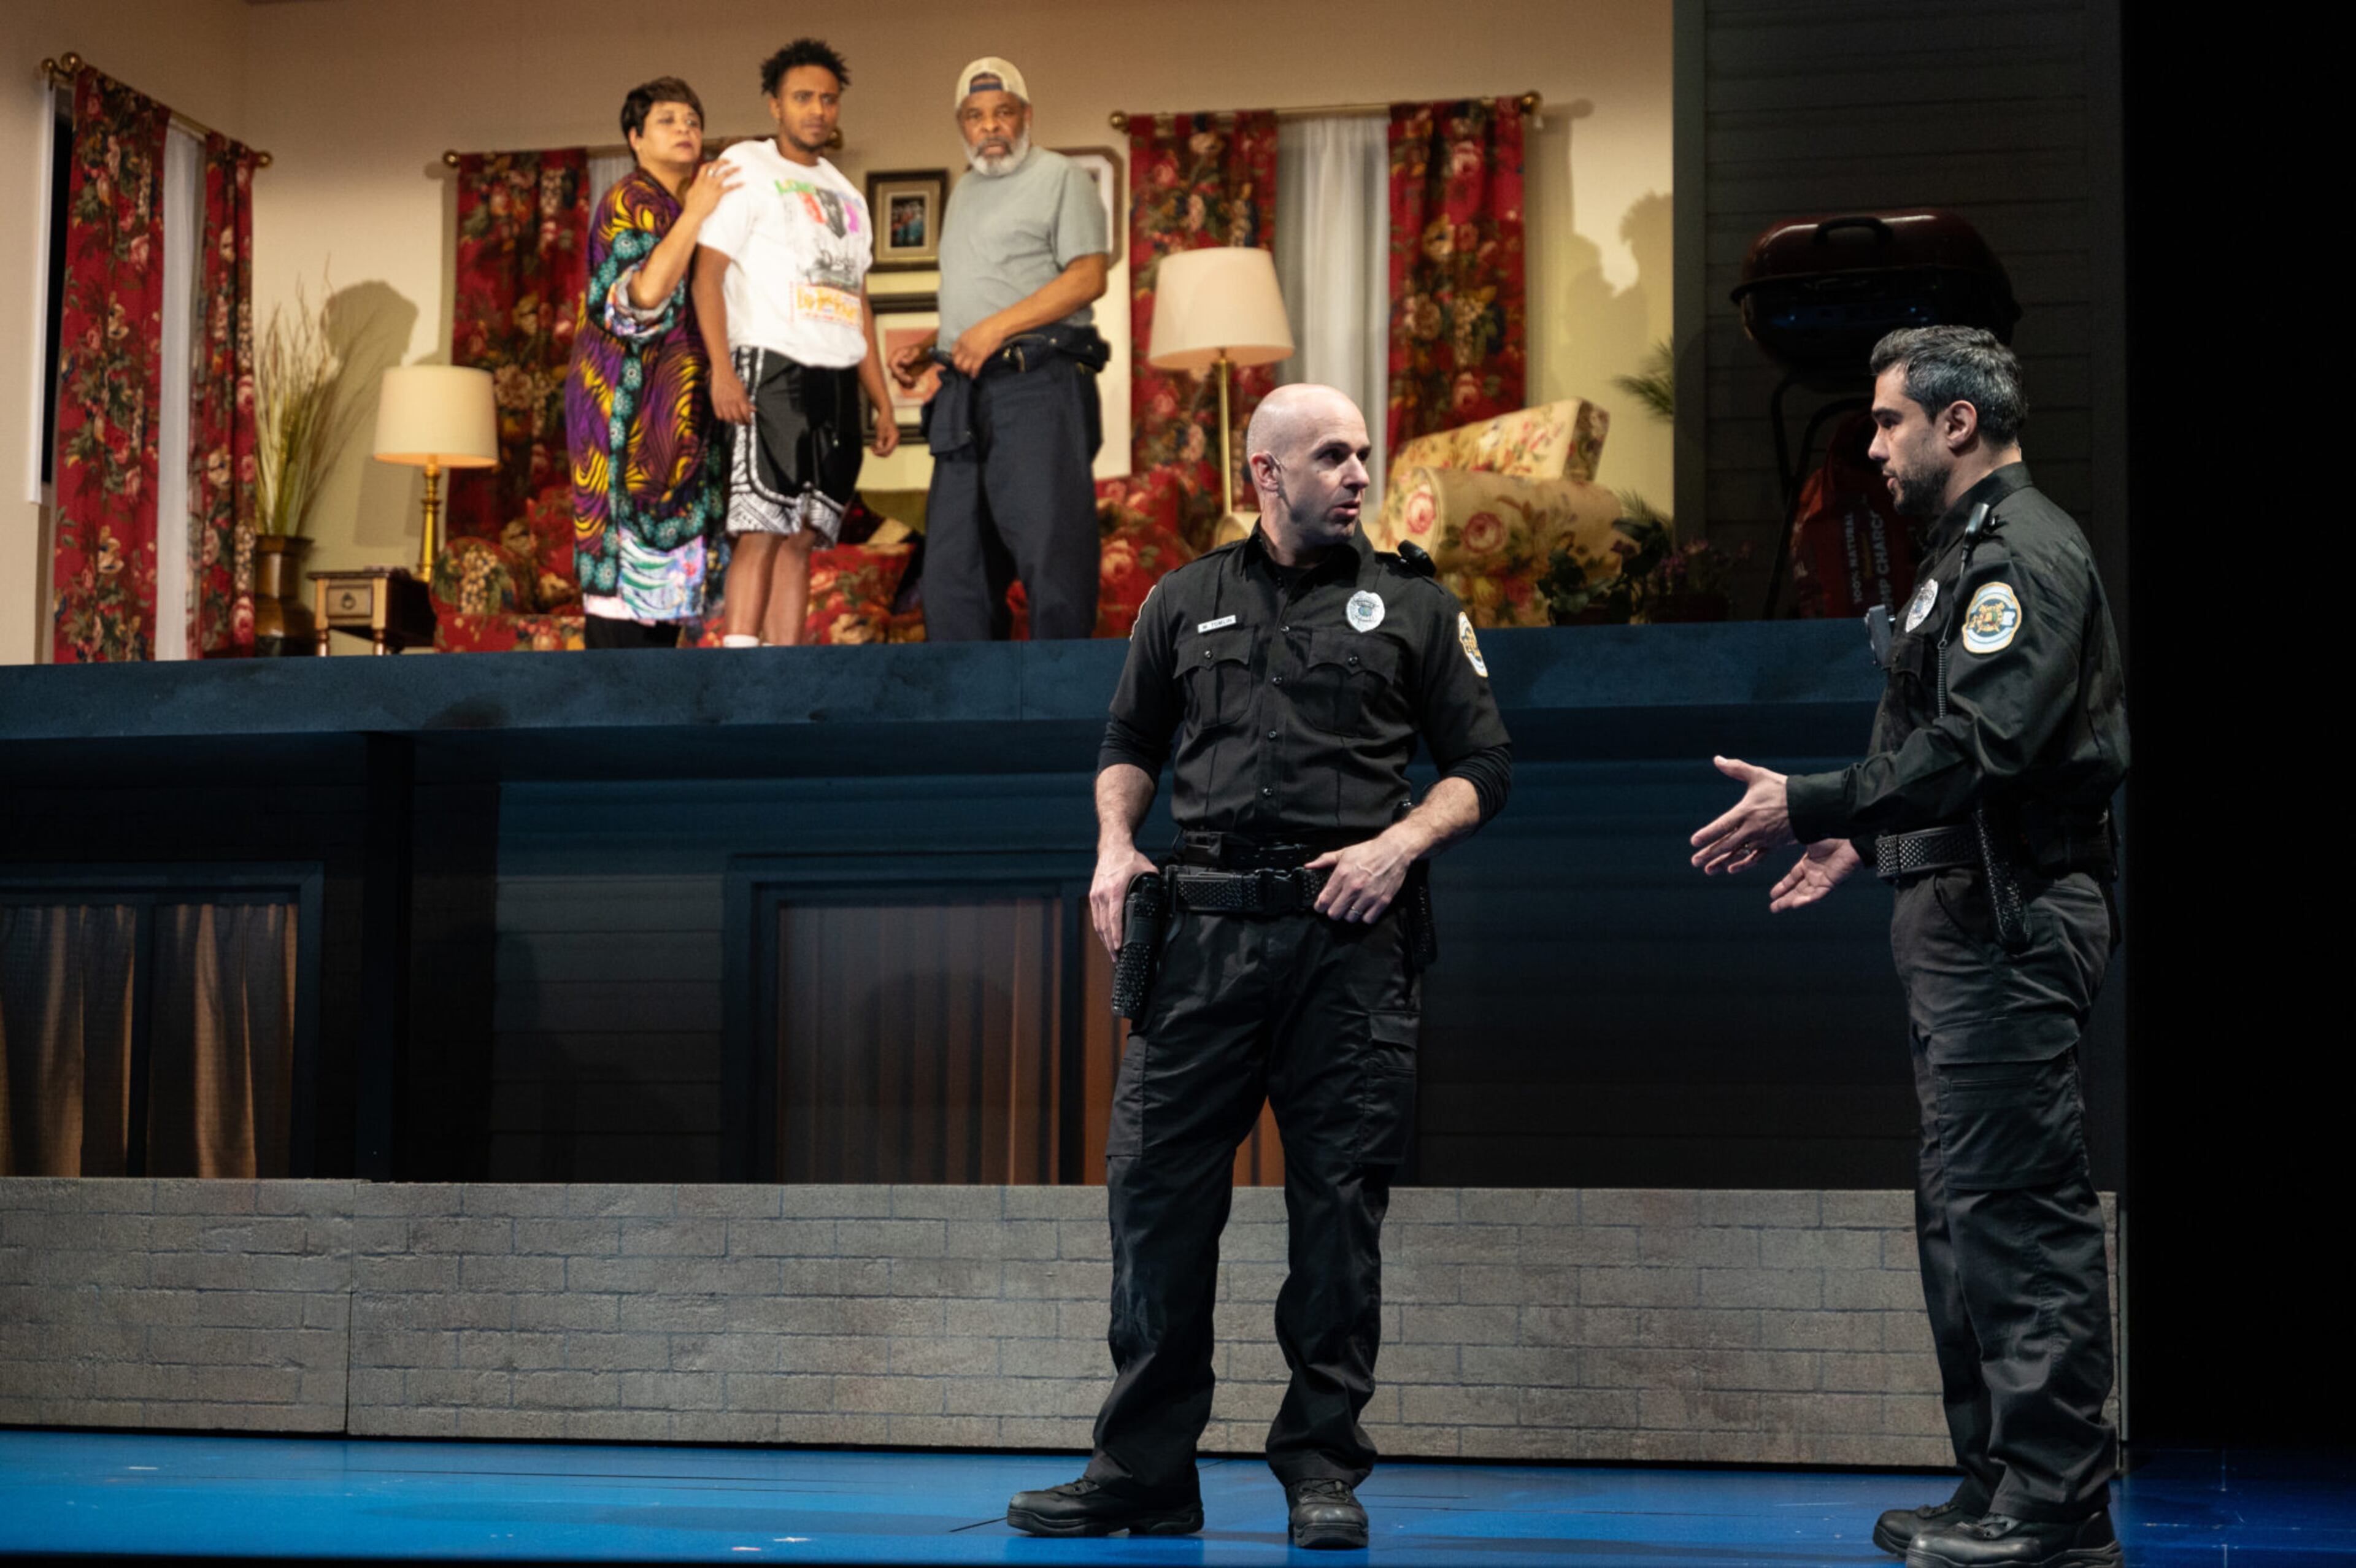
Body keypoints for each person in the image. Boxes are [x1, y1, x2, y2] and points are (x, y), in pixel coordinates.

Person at [1006, 385, 1512, 1550]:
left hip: (1351, 942)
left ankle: (1321, 1470)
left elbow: (1484, 765)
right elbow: (1130, 743)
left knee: (1338, 1214)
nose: (1357, 473)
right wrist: (1115, 844)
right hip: (1204, 938)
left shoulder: (1419, 605)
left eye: (1364, 454)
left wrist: (1401, 842)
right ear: (1263, 473)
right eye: (1331, 455)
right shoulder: (1183, 601)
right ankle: (1142, 1470)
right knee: (1153, 1200)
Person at [1688, 326, 2128, 1568]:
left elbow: (1984, 749)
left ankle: (2055, 1507)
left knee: (2018, 1209)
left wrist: (1812, 803)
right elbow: (1939, 752)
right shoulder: (1960, 557)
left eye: (1886, 422)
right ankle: (1996, 1484)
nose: (1871, 446)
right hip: (1954, 908)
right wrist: (1863, 845)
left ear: (1959, 424)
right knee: (1963, 1212)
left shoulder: (2022, 557)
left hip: (2010, 915)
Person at [888, 57, 1110, 642]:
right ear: (963, 125)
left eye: (1003, 113)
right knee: (954, 571)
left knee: (1051, 554)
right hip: (965, 396)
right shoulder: (964, 191)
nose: (991, 127)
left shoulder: (1062, 177)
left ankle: (1062, 713)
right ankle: (967, 716)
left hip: (1038, 386)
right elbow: (981, 296)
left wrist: (995, 330)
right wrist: (932, 347)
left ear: (1026, 116)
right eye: (976, 116)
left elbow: (1088, 277)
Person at [693, 39, 896, 648]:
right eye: (803, 97)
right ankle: (739, 678)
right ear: (775, 105)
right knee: (760, 528)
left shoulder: (849, 195)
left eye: (828, 100)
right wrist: (720, 371)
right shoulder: (744, 168)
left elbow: (857, 300)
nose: (817, 110)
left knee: (805, 533)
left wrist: (881, 399)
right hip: (767, 364)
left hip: (835, 378)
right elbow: (706, 275)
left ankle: (781, 681)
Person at [564, 77, 738, 649]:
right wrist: (697, 213)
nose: (686, 129)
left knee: (662, 635)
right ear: (636, 139)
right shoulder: (629, 201)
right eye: (668, 120)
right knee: (624, 633)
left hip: (676, 426)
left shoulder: (684, 206)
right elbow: (640, 300)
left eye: (692, 120)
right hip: (629, 422)